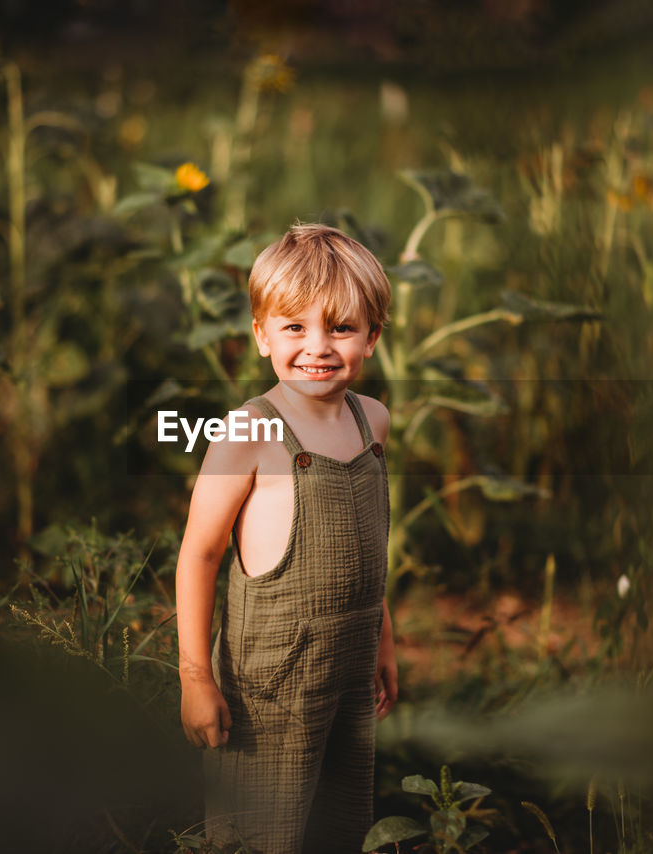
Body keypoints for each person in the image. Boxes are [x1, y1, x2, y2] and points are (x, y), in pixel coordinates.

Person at [175, 223, 398, 853]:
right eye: (295, 327)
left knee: (338, 816)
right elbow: (201, 552)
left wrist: (383, 641)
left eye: (341, 328)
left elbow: (366, 545)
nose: (317, 347)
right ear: (261, 334)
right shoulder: (248, 432)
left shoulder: (372, 420)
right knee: (261, 829)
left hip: (350, 667)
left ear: (372, 337)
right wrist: (196, 676)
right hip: (270, 682)